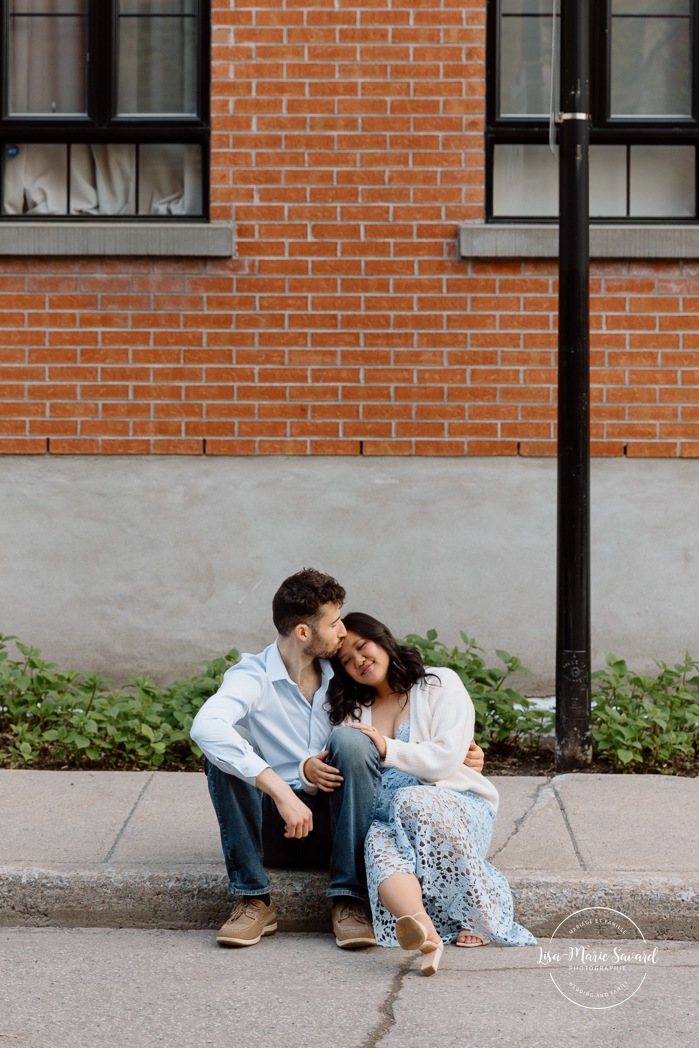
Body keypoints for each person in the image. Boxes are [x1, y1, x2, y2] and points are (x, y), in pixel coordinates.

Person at [190, 568, 485, 951]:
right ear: (303, 633)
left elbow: (399, 721)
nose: (343, 632)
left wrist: (464, 755)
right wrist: (282, 790)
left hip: (341, 823)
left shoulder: (344, 675)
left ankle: (348, 898)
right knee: (225, 748)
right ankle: (253, 897)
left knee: (350, 740)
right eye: (333, 624)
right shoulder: (253, 676)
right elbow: (206, 726)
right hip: (275, 828)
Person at [326, 611, 536, 976]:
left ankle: (479, 907)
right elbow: (331, 764)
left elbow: (445, 758)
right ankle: (423, 929)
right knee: (377, 848)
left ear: (383, 639)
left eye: (362, 647)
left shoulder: (438, 683)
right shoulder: (353, 709)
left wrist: (387, 750)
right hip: (387, 817)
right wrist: (308, 770)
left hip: (454, 806)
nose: (358, 661)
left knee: (412, 799)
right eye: (345, 660)